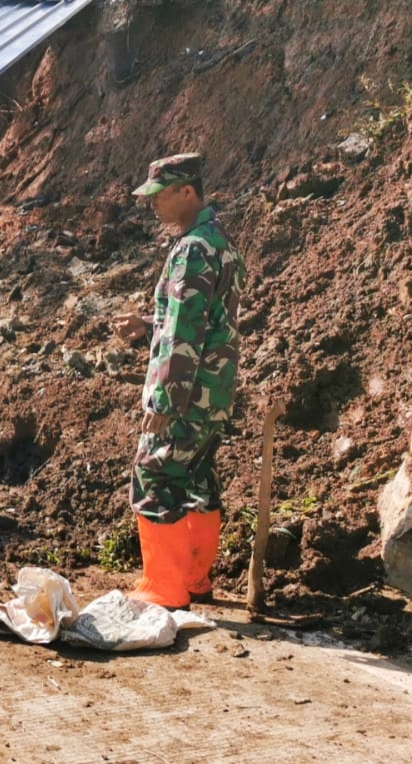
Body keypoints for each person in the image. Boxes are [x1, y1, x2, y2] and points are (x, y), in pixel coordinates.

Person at [112, 153, 246, 610]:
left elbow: (186, 333)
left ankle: (164, 587)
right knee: (198, 478)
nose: (154, 207)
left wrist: (165, 399)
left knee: (153, 474)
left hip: (185, 394)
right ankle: (194, 579)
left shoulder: (192, 249)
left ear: (187, 192)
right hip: (214, 390)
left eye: (160, 196)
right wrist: (151, 324)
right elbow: (204, 321)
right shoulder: (220, 241)